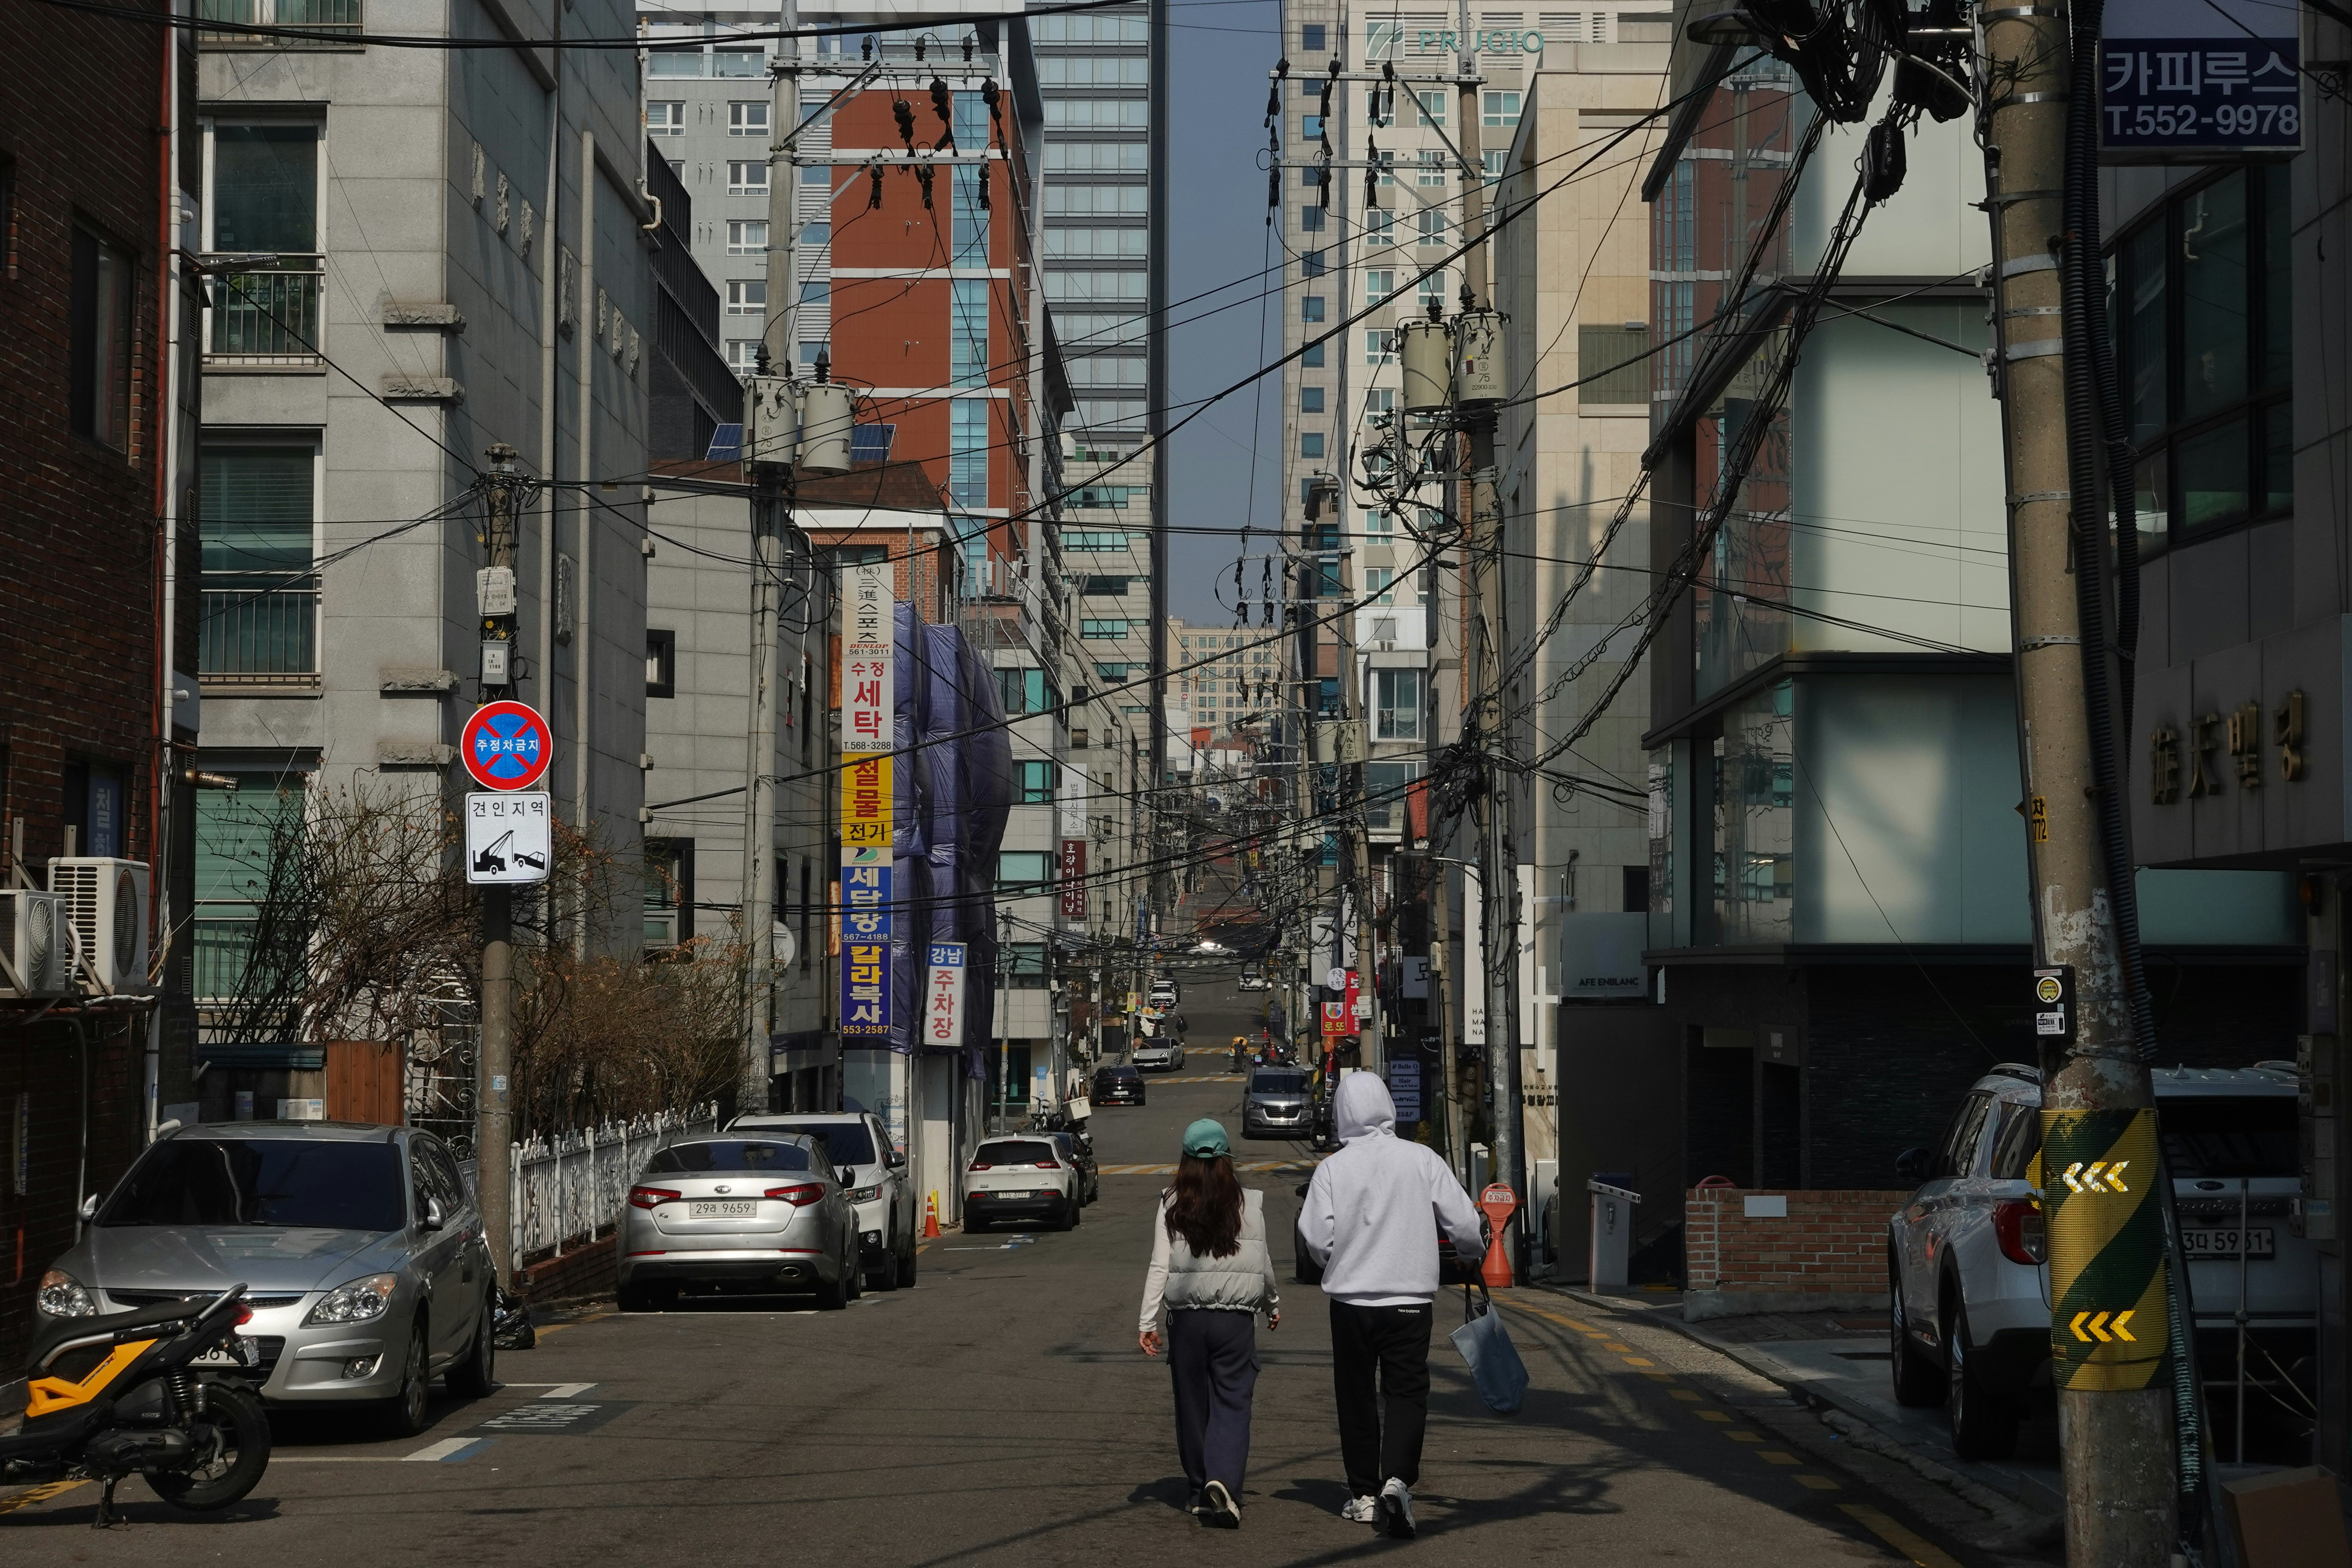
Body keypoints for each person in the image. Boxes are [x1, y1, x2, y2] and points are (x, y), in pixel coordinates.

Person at [1298, 1073, 1485, 1540]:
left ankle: (1363, 1496)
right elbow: (1464, 1222)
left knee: (1356, 1395)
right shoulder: (1421, 1159)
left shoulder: (1332, 1169)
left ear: (1343, 1112)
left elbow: (1316, 1238)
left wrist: (1337, 1257)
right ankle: (1397, 1480)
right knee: (1406, 1392)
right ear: (1387, 1107)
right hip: (1409, 1300)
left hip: (1350, 1300)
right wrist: (1471, 1252)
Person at [1137, 1118, 1281, 1530]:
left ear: (1184, 1159)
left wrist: (1148, 1321)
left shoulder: (1170, 1202)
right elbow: (1262, 1262)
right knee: (1232, 1402)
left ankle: (1200, 1487)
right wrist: (1272, 1304)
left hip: (1186, 1322)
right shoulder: (1249, 1203)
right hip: (1235, 1322)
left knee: (1192, 1404)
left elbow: (1159, 1265)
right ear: (1226, 1160)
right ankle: (1224, 1482)